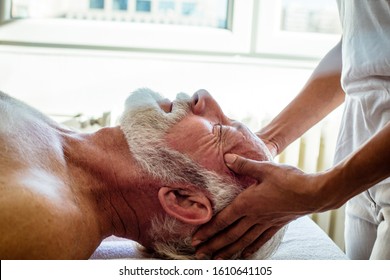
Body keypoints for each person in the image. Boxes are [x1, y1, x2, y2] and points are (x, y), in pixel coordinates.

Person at [192, 0, 390, 260]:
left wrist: (321, 191)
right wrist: (266, 142)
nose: (201, 97)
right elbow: (363, 43)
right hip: (359, 162)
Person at [0, 88, 284, 259]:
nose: (204, 98)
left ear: (183, 199)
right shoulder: (60, 144)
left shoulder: (45, 219)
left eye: (219, 132)